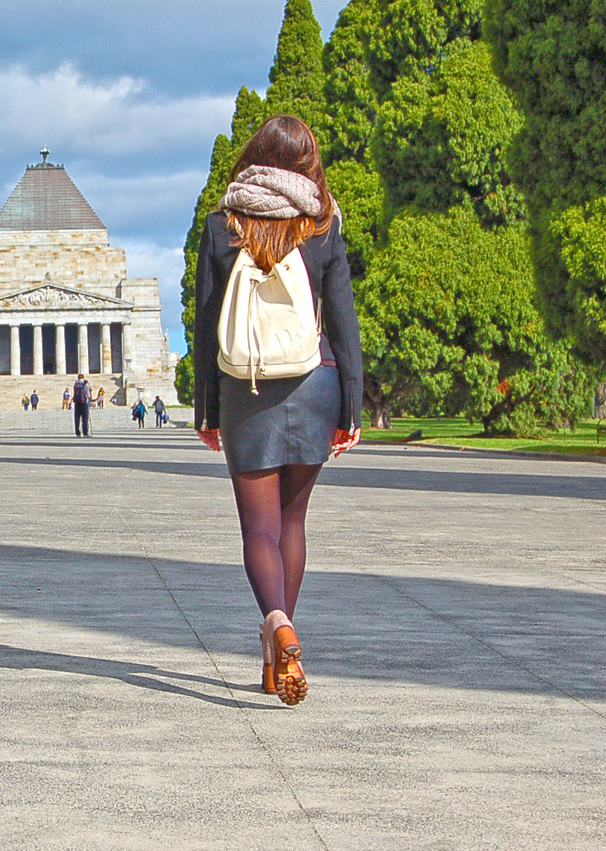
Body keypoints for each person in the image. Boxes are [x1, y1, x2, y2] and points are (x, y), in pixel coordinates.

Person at [192, 114, 362, 707]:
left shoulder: (223, 224)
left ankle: (276, 623)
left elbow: (208, 325)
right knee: (294, 524)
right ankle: (278, 649)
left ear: (254, 156)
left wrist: (205, 410)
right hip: (317, 384)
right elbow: (341, 320)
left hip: (249, 389)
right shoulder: (322, 223)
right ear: (307, 162)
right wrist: (352, 406)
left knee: (258, 529)